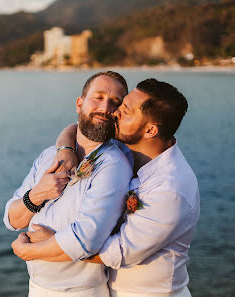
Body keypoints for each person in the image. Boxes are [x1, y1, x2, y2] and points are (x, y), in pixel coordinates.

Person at [12, 78, 200, 297]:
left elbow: (117, 252)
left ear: (150, 131)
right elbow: (79, 127)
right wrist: (65, 148)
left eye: (125, 110)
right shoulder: (129, 147)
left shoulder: (170, 190)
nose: (115, 113)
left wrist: (41, 246)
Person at [3, 71, 133, 297]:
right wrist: (37, 195)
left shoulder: (113, 164)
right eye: (98, 97)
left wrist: (30, 251)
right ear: (79, 103)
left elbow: (86, 240)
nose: (105, 107)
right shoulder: (49, 156)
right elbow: (11, 219)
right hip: (36, 288)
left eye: (115, 102)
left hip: (80, 291)